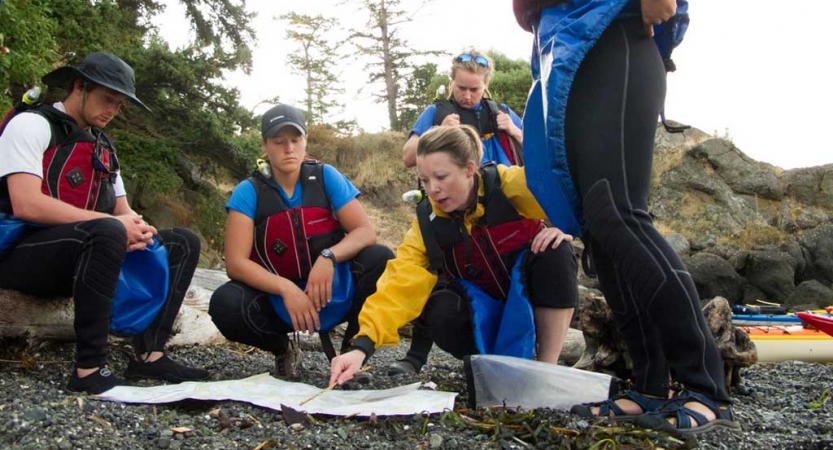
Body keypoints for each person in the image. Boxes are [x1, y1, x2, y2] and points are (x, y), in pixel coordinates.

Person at [513, 0, 740, 436]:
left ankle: (706, 386)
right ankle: (650, 385)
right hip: (566, 45)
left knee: (617, 213)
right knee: (600, 230)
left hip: (613, 33)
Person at [0, 52, 209, 394]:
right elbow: (26, 204)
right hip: (20, 253)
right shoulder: (33, 125)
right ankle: (88, 370)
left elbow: (123, 212)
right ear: (79, 87)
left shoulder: (104, 147)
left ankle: (150, 355)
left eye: (119, 103)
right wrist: (114, 224)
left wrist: (140, 230)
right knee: (109, 229)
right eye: (107, 99)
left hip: (88, 252)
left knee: (182, 242)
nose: (113, 110)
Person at [330, 125, 578, 386]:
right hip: (483, 314)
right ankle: (493, 369)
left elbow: (567, 193)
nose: (433, 189)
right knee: (441, 308)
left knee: (556, 249)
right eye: (425, 181)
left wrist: (566, 227)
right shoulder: (428, 224)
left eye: (441, 177)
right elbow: (397, 284)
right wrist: (361, 348)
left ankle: (546, 371)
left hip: (530, 299)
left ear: (469, 169)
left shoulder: (509, 185)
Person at [208, 104, 394, 380]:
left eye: (295, 140)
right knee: (226, 303)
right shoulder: (249, 192)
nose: (288, 149)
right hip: (279, 302)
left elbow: (365, 232)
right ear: (264, 145)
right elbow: (235, 264)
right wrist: (285, 289)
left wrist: (328, 257)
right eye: (279, 141)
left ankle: (352, 355)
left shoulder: (325, 177)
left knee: (380, 258)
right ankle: (284, 348)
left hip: (332, 290)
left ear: (305, 140)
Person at [402, 50, 524, 168]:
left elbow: (538, 151)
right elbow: (408, 158)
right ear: (452, 82)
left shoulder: (502, 112)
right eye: (461, 88)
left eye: (474, 89)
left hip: (504, 187)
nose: (467, 96)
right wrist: (439, 133)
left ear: (485, 85)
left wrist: (514, 131)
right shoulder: (435, 112)